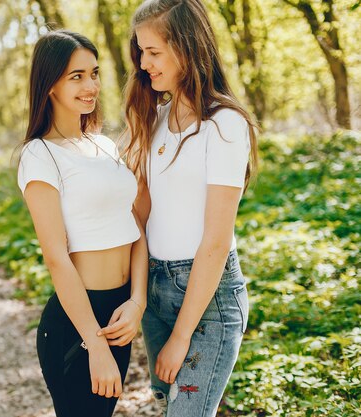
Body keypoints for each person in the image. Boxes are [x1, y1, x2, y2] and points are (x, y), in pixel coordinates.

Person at [121, 1, 259, 416]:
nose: (144, 63)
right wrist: (133, 294)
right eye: (141, 52)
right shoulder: (156, 117)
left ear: (187, 47)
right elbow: (140, 215)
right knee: (170, 406)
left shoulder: (224, 124)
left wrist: (181, 337)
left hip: (208, 301)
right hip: (157, 290)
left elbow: (216, 242)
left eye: (154, 52)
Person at [16, 30, 148, 417]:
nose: (91, 86)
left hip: (118, 315)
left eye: (94, 73)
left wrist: (136, 302)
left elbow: (135, 226)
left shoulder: (104, 145)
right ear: (50, 83)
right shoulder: (39, 155)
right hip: (77, 325)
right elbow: (57, 257)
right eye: (76, 76)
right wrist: (94, 342)